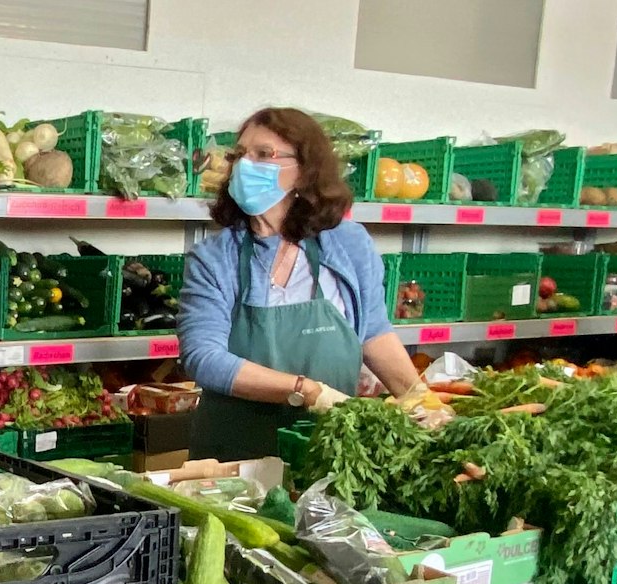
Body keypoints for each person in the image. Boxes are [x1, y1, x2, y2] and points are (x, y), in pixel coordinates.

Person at [178, 107, 430, 459]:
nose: (244, 165)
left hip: (330, 451)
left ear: (304, 172)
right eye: (239, 155)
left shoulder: (348, 243)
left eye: (264, 155)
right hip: (235, 457)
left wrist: (419, 399)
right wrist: (304, 390)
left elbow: (373, 331)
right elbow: (203, 357)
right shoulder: (215, 257)